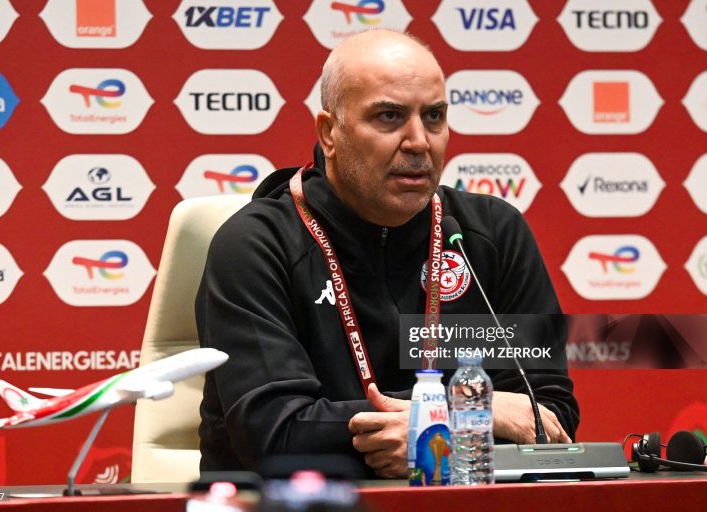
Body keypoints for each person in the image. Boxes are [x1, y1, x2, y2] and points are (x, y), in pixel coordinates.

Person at [196, 29, 579, 478]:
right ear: (329, 133)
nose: (419, 141)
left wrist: (445, 434)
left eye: (434, 116)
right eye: (389, 116)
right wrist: (453, 420)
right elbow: (274, 435)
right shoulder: (257, 245)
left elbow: (549, 414)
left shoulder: (489, 234)